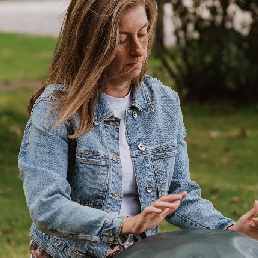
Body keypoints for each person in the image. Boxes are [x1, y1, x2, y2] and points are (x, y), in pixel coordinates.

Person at [18, 0, 258, 257]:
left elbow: (180, 196)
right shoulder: (57, 107)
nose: (139, 50)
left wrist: (229, 229)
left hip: (139, 253)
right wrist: (126, 224)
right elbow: (47, 205)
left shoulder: (164, 102)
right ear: (92, 45)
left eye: (142, 34)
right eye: (123, 40)